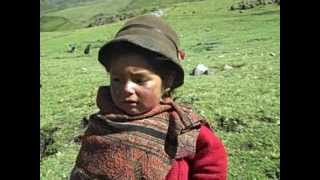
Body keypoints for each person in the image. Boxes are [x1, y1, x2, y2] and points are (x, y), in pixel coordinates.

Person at [70, 15, 227, 180]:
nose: (126, 89)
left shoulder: (184, 126)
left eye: (139, 80)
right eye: (116, 79)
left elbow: (211, 163)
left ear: (168, 80)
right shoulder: (101, 123)